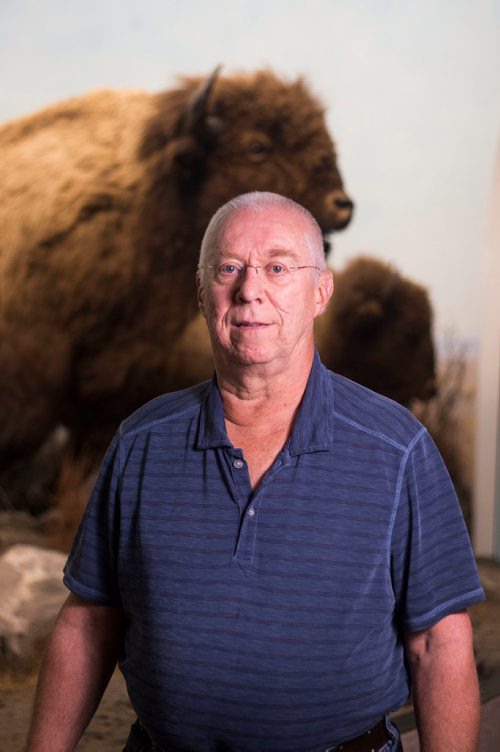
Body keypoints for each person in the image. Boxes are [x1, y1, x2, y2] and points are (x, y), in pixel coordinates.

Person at [27, 192, 485, 752]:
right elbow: (89, 623)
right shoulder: (141, 442)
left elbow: (439, 643)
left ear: (321, 291)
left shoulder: (398, 449)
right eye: (228, 269)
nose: (250, 290)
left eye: (277, 267)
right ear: (203, 293)